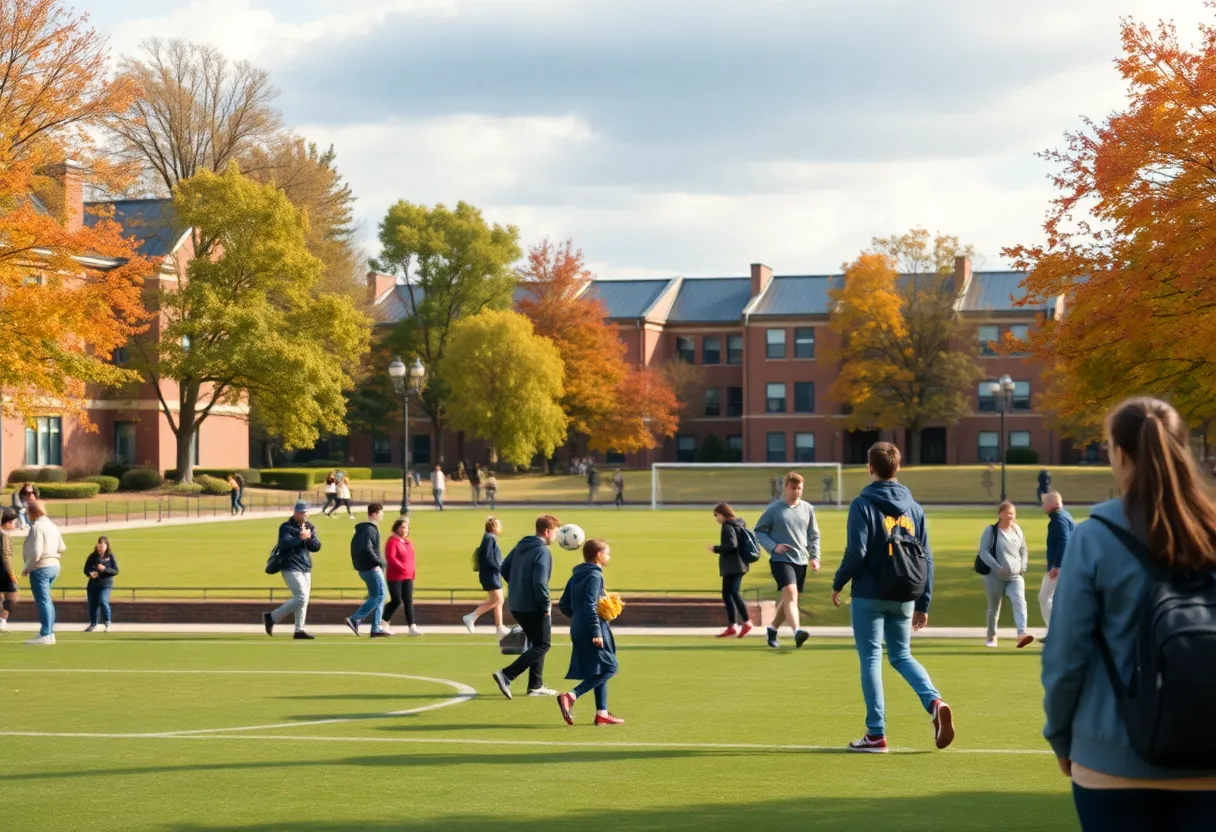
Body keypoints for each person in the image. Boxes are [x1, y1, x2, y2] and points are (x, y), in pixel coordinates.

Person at [1043, 397, 1216, 830]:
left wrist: (1062, 738)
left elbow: (1066, 659)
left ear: (1118, 453)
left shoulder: (1094, 537)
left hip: (1110, 758)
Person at [830, 441, 954, 754]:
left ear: (871, 467)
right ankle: (934, 701)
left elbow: (856, 551)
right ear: (897, 467)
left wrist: (838, 582)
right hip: (905, 592)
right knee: (901, 655)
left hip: (870, 593)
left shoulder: (862, 503)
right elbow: (926, 556)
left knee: (871, 658)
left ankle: (876, 734)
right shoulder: (914, 507)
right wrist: (924, 601)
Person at [491, 514, 561, 699]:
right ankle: (506, 675)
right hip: (533, 606)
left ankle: (535, 686)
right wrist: (546, 604)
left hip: (516, 603)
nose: (556, 535)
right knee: (543, 644)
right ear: (547, 531)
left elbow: (504, 568)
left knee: (536, 643)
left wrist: (517, 586)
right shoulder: (543, 551)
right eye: (555, 531)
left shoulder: (522, 545)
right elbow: (540, 583)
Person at [556, 538, 624, 726]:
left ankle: (602, 713)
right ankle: (571, 696)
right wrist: (596, 630)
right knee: (611, 667)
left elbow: (563, 604)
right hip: (593, 627)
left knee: (599, 668)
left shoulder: (576, 575)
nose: (609, 556)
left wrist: (577, 617)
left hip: (579, 625)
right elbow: (589, 604)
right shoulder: (595, 576)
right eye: (607, 552)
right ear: (599, 555)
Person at [755, 472, 820, 649]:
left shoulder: (808, 509)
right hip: (780, 560)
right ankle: (797, 631)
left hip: (801, 560)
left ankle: (772, 629)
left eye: (799, 489)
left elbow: (813, 536)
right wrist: (773, 546)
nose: (796, 492)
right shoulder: (774, 509)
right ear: (786, 488)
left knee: (789, 598)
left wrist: (815, 557)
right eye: (793, 488)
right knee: (791, 593)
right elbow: (759, 531)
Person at [976, 501, 1035, 649]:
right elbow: (984, 551)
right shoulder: (991, 531)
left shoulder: (1017, 530)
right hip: (995, 577)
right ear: (1000, 514)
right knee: (994, 608)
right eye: (1008, 513)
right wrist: (997, 568)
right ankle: (991, 636)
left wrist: (1023, 566)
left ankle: (1022, 634)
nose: (1011, 516)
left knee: (1020, 602)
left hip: (1015, 577)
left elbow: (1024, 550)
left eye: (1013, 513)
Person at [263, 501, 321, 639]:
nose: (305, 515)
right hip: (290, 565)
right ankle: (272, 617)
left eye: (306, 512)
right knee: (301, 597)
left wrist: (309, 539)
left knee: (304, 599)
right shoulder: (286, 527)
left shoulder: (309, 527)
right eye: (302, 512)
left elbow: (316, 547)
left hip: (305, 566)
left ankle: (299, 630)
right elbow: (284, 543)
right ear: (295, 513)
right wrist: (301, 538)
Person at [21, 500, 65, 645]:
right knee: (47, 600)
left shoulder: (38, 527)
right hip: (54, 565)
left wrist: (27, 567)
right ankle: (48, 632)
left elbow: (36, 551)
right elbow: (61, 547)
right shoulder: (52, 526)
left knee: (43, 601)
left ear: (31, 513)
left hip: (42, 566)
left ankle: (46, 633)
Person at [708, 502, 753, 638]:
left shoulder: (727, 526)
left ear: (723, 514)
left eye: (717, 515)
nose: (716, 519)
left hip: (733, 565)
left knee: (732, 593)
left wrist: (716, 548)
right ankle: (733, 625)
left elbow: (731, 545)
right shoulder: (738, 524)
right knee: (729, 594)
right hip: (740, 564)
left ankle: (745, 622)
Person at [345, 503, 390, 638]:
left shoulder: (363, 529)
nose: (382, 517)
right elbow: (367, 548)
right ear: (375, 514)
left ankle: (376, 628)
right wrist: (379, 561)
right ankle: (355, 618)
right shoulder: (370, 530)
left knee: (377, 596)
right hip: (371, 568)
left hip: (365, 568)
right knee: (380, 596)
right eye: (381, 514)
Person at [1039, 491, 1075, 645]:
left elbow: (1064, 542)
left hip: (1061, 567)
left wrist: (1056, 565)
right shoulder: (1064, 516)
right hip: (1069, 565)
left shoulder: (1058, 519)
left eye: (1044, 503)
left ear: (1052, 504)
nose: (1042, 506)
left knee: (1044, 597)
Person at [464, 517, 509, 635]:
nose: (500, 527)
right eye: (499, 525)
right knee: (498, 600)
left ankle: (499, 627)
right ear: (494, 527)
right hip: (491, 574)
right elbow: (489, 557)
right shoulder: (490, 538)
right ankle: (472, 617)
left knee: (497, 600)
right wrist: (500, 567)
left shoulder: (489, 538)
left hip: (491, 574)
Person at [383, 515, 420, 636]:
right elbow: (391, 557)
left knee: (408, 601)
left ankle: (412, 627)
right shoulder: (392, 541)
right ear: (397, 528)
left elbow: (411, 559)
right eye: (403, 528)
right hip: (395, 576)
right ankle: (384, 622)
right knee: (396, 600)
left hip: (408, 576)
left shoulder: (408, 542)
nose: (405, 530)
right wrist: (401, 568)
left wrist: (412, 572)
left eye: (407, 528)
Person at [83, 536, 119, 633]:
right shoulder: (92, 556)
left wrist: (104, 569)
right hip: (93, 584)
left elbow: (115, 571)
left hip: (105, 584)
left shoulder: (110, 556)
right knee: (92, 604)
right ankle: (93, 624)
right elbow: (86, 569)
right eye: (99, 546)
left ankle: (107, 623)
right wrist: (90, 573)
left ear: (106, 546)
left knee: (103, 601)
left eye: (102, 547)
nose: (100, 549)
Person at [0, 508, 19, 632]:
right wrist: (11, 573)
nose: (15, 525)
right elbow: (6, 555)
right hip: (3, 570)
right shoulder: (4, 535)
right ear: (7, 522)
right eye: (14, 522)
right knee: (12, 596)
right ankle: (2, 620)